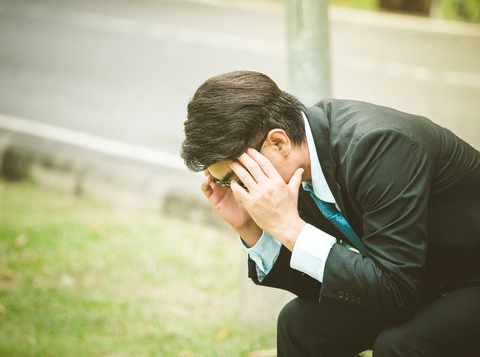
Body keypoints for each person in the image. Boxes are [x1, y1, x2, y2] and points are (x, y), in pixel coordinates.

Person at [181, 70, 480, 357]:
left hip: (468, 277)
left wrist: (291, 229)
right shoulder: (294, 170)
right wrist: (250, 228)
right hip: (419, 278)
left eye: (239, 177)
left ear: (278, 142)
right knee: (298, 326)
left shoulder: (377, 146)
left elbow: (396, 293)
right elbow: (325, 286)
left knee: (400, 346)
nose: (240, 191)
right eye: (223, 182)